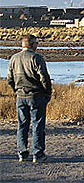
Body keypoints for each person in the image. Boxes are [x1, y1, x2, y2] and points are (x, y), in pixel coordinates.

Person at [7, 35, 52, 163]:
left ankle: (22, 153)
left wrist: (16, 91)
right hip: (36, 96)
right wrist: (48, 92)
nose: (37, 45)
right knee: (37, 125)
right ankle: (37, 154)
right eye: (36, 43)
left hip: (21, 96)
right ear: (32, 44)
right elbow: (44, 77)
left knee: (22, 125)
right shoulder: (37, 58)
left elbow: (10, 79)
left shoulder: (14, 58)